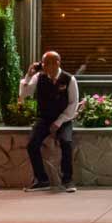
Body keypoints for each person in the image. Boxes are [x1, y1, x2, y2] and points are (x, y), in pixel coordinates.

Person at [20, 50, 80, 192]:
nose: (46, 66)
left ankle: (68, 180)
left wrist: (58, 122)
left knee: (66, 142)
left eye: (50, 63)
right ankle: (42, 180)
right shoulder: (38, 77)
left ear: (57, 63)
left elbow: (73, 103)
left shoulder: (69, 79)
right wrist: (28, 75)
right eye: (44, 63)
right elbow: (24, 94)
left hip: (64, 119)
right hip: (44, 118)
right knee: (32, 145)